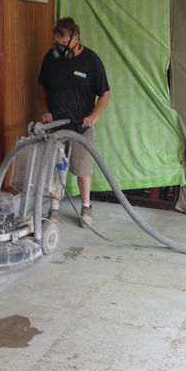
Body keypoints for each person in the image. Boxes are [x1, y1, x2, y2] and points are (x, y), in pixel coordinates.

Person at [37, 17, 111, 227]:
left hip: (81, 128)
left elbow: (105, 93)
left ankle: (86, 209)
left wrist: (93, 117)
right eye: (57, 43)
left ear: (76, 39)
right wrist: (45, 110)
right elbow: (41, 85)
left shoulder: (91, 61)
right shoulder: (50, 60)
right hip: (56, 128)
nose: (59, 47)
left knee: (83, 169)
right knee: (54, 170)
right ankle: (54, 210)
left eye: (64, 42)